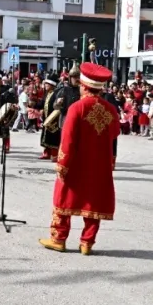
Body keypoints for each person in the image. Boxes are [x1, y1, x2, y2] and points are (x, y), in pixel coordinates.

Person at [39, 63, 120, 255]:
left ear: (84, 85)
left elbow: (67, 140)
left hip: (76, 163)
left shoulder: (77, 108)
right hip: (99, 163)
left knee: (64, 198)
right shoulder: (110, 110)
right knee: (94, 200)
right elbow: (115, 133)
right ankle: (87, 243)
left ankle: (58, 238)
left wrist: (62, 164)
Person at [39, 77, 61, 159]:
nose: (45, 85)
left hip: (54, 119)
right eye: (45, 84)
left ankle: (54, 154)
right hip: (46, 119)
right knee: (46, 136)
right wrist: (32, 104)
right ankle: (46, 153)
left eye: (47, 84)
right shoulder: (46, 94)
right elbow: (41, 104)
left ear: (52, 85)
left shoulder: (56, 94)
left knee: (53, 136)